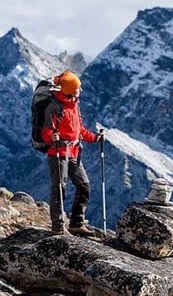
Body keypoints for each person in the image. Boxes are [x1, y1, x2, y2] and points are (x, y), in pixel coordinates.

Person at [41, 70, 104, 236]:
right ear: (69, 90)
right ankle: (58, 227)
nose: (80, 91)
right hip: (58, 153)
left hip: (74, 153)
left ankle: (76, 223)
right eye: (78, 88)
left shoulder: (74, 104)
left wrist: (95, 138)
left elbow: (79, 131)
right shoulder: (54, 106)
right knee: (59, 190)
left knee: (84, 186)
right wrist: (51, 136)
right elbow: (45, 131)